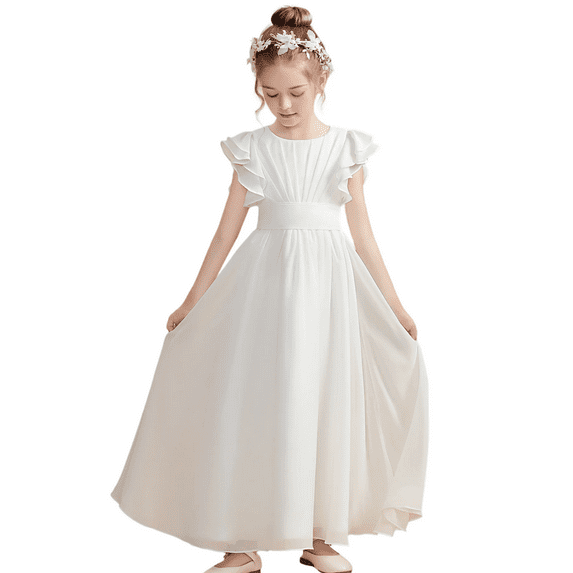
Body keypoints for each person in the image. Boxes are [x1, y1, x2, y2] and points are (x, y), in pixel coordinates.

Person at [110, 6, 429, 573]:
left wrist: (396, 307)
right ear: (257, 89)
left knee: (322, 400)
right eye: (270, 94)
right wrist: (192, 300)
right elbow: (225, 232)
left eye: (296, 93)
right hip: (263, 291)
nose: (283, 105)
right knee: (254, 401)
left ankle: (320, 535)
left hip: (329, 293)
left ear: (321, 82)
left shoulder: (345, 148)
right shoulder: (252, 149)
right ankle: (242, 541)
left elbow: (365, 238)